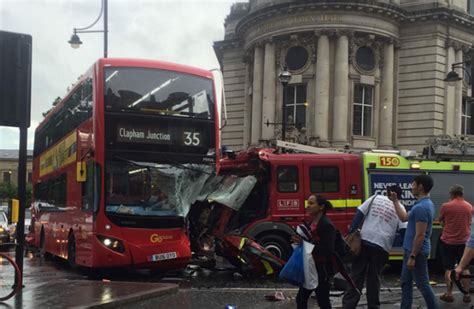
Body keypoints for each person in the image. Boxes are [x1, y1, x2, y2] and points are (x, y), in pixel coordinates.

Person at [342, 185, 403, 309]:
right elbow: (404, 230)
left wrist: (352, 233)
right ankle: (373, 306)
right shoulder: (400, 208)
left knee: (356, 275)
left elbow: (359, 214)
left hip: (365, 240)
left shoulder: (374, 198)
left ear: (387, 192)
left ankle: (349, 304)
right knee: (373, 278)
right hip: (382, 245)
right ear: (399, 196)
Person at [390, 174, 439, 309]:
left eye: (413, 184)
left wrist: (413, 256)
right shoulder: (420, 204)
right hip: (410, 250)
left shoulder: (422, 208)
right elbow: (404, 217)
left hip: (416, 252)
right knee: (406, 282)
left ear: (421, 186)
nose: (411, 187)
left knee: (423, 284)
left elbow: (420, 235)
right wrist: (395, 201)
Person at [291, 195, 336, 309]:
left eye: (311, 203)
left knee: (323, 301)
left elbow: (327, 250)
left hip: (322, 269)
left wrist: (305, 243)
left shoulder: (326, 225)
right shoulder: (312, 222)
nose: (308, 206)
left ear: (321, 206)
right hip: (311, 267)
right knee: (301, 298)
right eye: (308, 203)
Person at [438, 184, 472, 303]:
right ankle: (466, 294)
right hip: (464, 242)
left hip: (448, 241)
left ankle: (449, 294)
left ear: (452, 194)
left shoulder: (446, 206)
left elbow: (440, 221)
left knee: (449, 268)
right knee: (465, 267)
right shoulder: (469, 206)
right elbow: (469, 223)